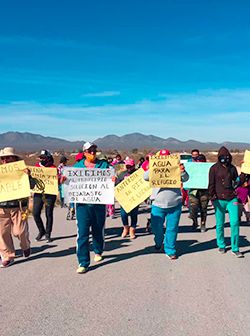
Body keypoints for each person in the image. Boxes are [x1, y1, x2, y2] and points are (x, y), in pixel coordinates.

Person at [144, 149, 189, 260]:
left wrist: (182, 171)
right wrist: (152, 167)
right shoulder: (154, 167)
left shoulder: (177, 166)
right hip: (157, 204)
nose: (165, 158)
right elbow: (145, 177)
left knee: (172, 228)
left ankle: (170, 250)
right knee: (156, 228)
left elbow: (186, 178)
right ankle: (159, 241)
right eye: (162, 157)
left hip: (175, 203)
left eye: (167, 156)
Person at [74, 142, 110, 274]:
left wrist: (113, 178)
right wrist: (64, 180)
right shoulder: (77, 167)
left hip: (99, 205)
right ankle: (83, 262)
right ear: (84, 153)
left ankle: (98, 250)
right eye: (90, 151)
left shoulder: (103, 165)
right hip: (82, 206)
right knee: (82, 233)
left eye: (95, 150)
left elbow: (113, 176)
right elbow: (70, 183)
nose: (93, 153)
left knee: (98, 229)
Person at [0, 147, 35, 268]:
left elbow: (32, 185)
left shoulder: (23, 171)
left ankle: (25, 245)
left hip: (18, 206)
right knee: (2, 233)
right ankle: (8, 256)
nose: (5, 161)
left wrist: (28, 177)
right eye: (2, 158)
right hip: (1, 208)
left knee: (19, 231)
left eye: (7, 158)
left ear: (14, 159)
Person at [208, 146, 244, 257]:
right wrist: (212, 196)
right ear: (219, 157)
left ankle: (235, 248)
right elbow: (211, 184)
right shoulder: (214, 168)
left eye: (227, 157)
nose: (225, 158)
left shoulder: (232, 168)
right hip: (218, 199)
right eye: (223, 157)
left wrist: (242, 177)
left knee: (235, 222)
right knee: (220, 223)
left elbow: (236, 182)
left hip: (231, 198)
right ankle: (221, 244)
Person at [33, 150, 57, 243]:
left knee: (48, 214)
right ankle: (41, 230)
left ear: (48, 157)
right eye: (41, 157)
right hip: (38, 193)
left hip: (50, 194)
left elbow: (56, 179)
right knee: (35, 213)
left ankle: (48, 234)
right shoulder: (36, 167)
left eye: (44, 157)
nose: (42, 159)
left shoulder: (53, 167)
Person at [116, 158, 138, 239]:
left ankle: (132, 229)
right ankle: (125, 227)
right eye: (127, 166)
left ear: (133, 166)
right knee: (123, 214)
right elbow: (117, 184)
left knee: (134, 214)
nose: (129, 168)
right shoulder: (122, 174)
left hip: (135, 197)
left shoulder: (138, 173)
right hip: (124, 198)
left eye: (130, 166)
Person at [188, 154, 209, 232]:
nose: (199, 162)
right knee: (193, 208)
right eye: (198, 160)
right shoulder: (191, 168)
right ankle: (195, 221)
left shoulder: (208, 168)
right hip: (193, 191)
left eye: (201, 160)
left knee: (203, 209)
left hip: (204, 192)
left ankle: (203, 224)